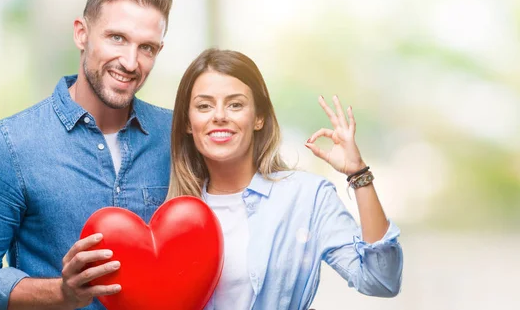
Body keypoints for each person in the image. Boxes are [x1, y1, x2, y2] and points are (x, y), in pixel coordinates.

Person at [0, 0, 173, 309]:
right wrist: (61, 292)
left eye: (146, 48)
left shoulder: (175, 136)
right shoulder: (11, 144)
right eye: (116, 38)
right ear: (82, 33)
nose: (130, 61)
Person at [167, 48, 404, 310]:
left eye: (235, 104)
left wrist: (359, 175)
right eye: (204, 106)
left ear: (259, 118)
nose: (219, 116)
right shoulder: (173, 215)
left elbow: (381, 281)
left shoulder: (307, 197)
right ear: (188, 123)